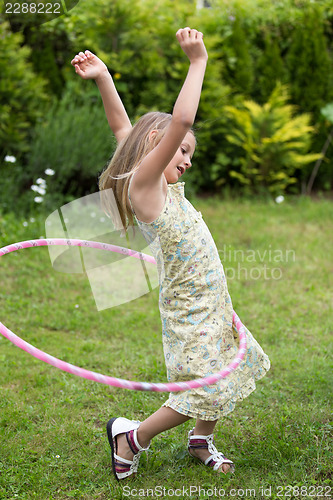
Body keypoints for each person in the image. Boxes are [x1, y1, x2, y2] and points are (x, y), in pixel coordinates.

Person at [71, 27, 270, 481]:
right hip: (188, 304)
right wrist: (197, 63)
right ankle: (131, 436)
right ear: (155, 145)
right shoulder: (144, 187)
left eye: (189, 154)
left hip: (212, 297)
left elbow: (123, 127)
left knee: (219, 366)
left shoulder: (160, 185)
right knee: (201, 384)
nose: (187, 159)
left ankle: (201, 439)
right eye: (181, 150)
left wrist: (104, 77)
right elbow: (177, 122)